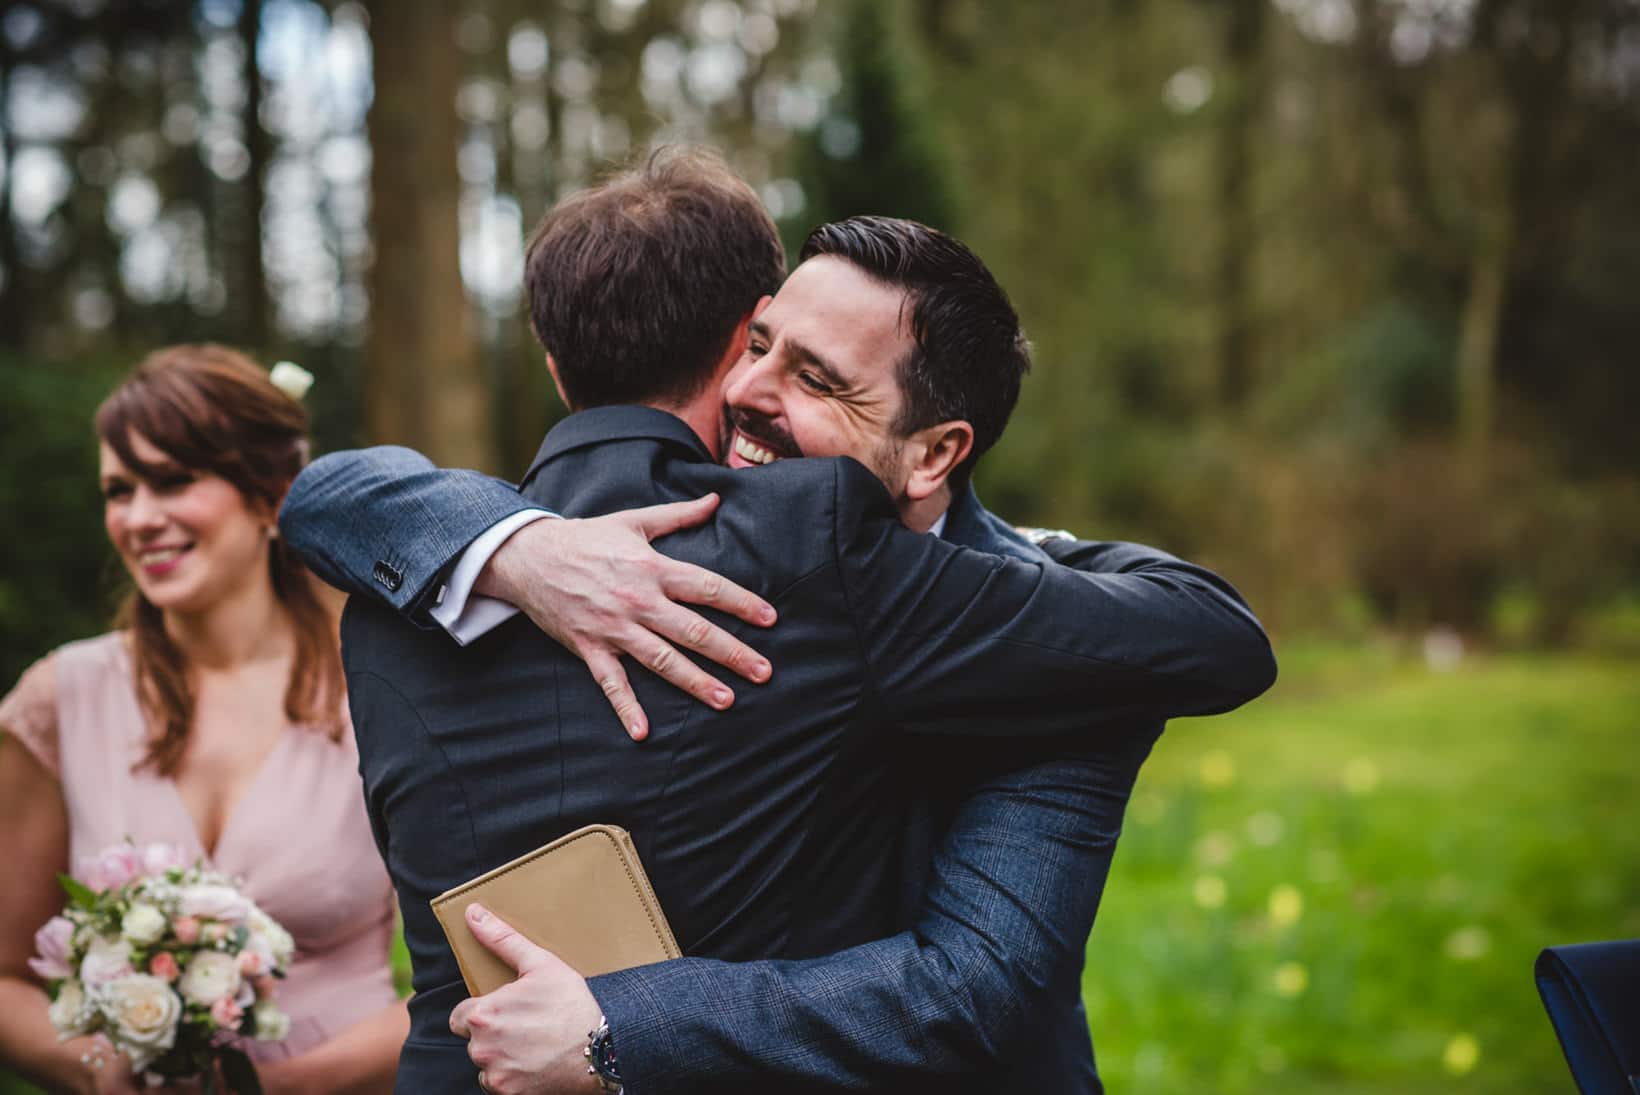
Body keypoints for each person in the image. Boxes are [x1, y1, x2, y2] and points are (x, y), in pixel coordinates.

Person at [280, 151, 1276, 1093]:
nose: (747, 392)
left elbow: (975, 994)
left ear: (934, 455)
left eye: (816, 379)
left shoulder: (1068, 647)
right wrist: (519, 551)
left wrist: (618, 1025)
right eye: (758, 347)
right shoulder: (509, 557)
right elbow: (322, 496)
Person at [0, 346, 408, 1094]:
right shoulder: (60, 699)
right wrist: (94, 1066)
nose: (140, 518)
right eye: (119, 490)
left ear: (270, 495)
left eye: (174, 480)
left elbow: (481, 974)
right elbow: (3, 975)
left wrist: (286, 1087)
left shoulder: (379, 687)